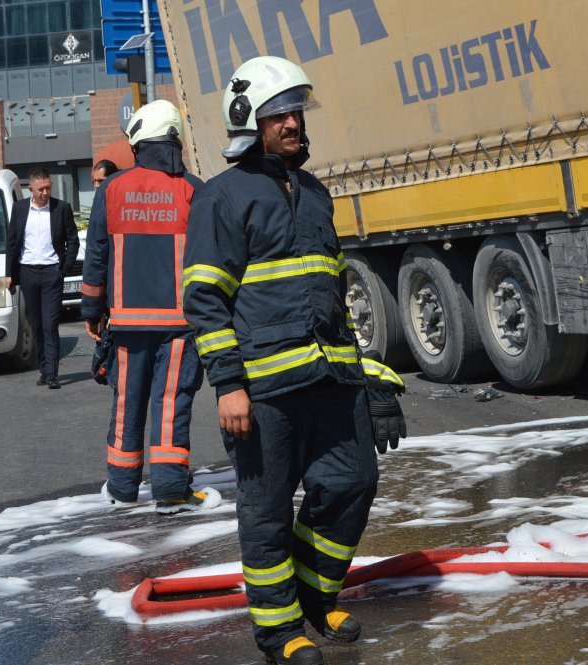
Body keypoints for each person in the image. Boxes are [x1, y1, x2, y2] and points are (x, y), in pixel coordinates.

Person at [183, 56, 407, 664]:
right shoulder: (221, 197)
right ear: (247, 120)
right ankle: (281, 634)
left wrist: (370, 380)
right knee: (267, 511)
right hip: (262, 390)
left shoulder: (313, 192)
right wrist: (228, 385)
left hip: (330, 377)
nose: (292, 122)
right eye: (279, 112)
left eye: (296, 111)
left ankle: (314, 597)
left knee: (353, 481)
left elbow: (333, 298)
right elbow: (204, 299)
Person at [82, 100, 220, 514]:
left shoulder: (111, 189)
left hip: (125, 321)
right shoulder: (192, 189)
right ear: (174, 138)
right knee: (170, 403)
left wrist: (92, 310)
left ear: (139, 141)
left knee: (127, 404)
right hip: (179, 323)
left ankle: (122, 489)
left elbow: (96, 255)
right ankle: (171, 492)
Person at [6, 167, 79, 389]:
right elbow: (11, 242)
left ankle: (53, 374)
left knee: (50, 324)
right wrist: (9, 274)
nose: (46, 192)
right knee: (36, 324)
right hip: (27, 271)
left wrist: (63, 268)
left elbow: (72, 240)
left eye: (48, 187)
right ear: (31, 189)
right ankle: (43, 369)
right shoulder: (19, 210)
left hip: (51, 272)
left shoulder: (61, 208)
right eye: (41, 189)